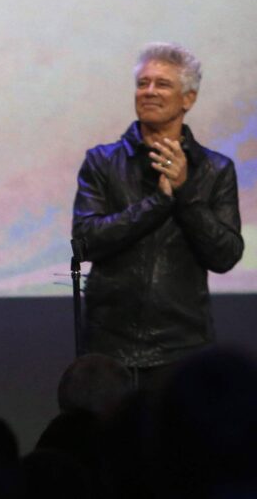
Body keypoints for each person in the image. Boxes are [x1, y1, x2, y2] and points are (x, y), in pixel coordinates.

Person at [72, 42, 244, 391]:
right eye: (142, 83)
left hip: (183, 346)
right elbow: (86, 241)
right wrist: (158, 203)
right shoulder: (102, 161)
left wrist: (185, 194)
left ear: (188, 99)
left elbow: (225, 255)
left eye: (162, 84)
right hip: (109, 345)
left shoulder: (215, 169)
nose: (149, 92)